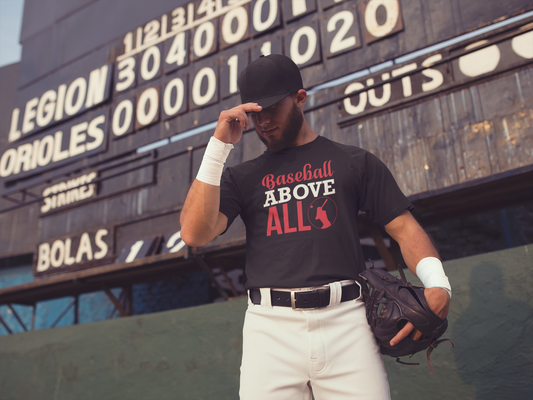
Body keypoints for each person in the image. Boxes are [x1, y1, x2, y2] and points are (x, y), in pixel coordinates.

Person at [180, 54, 451, 400]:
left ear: (300, 98)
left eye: (272, 108)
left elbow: (403, 228)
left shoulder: (353, 162)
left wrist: (439, 285)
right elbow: (194, 233)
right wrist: (218, 147)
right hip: (270, 327)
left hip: (347, 320)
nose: (263, 121)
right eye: (254, 112)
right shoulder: (241, 177)